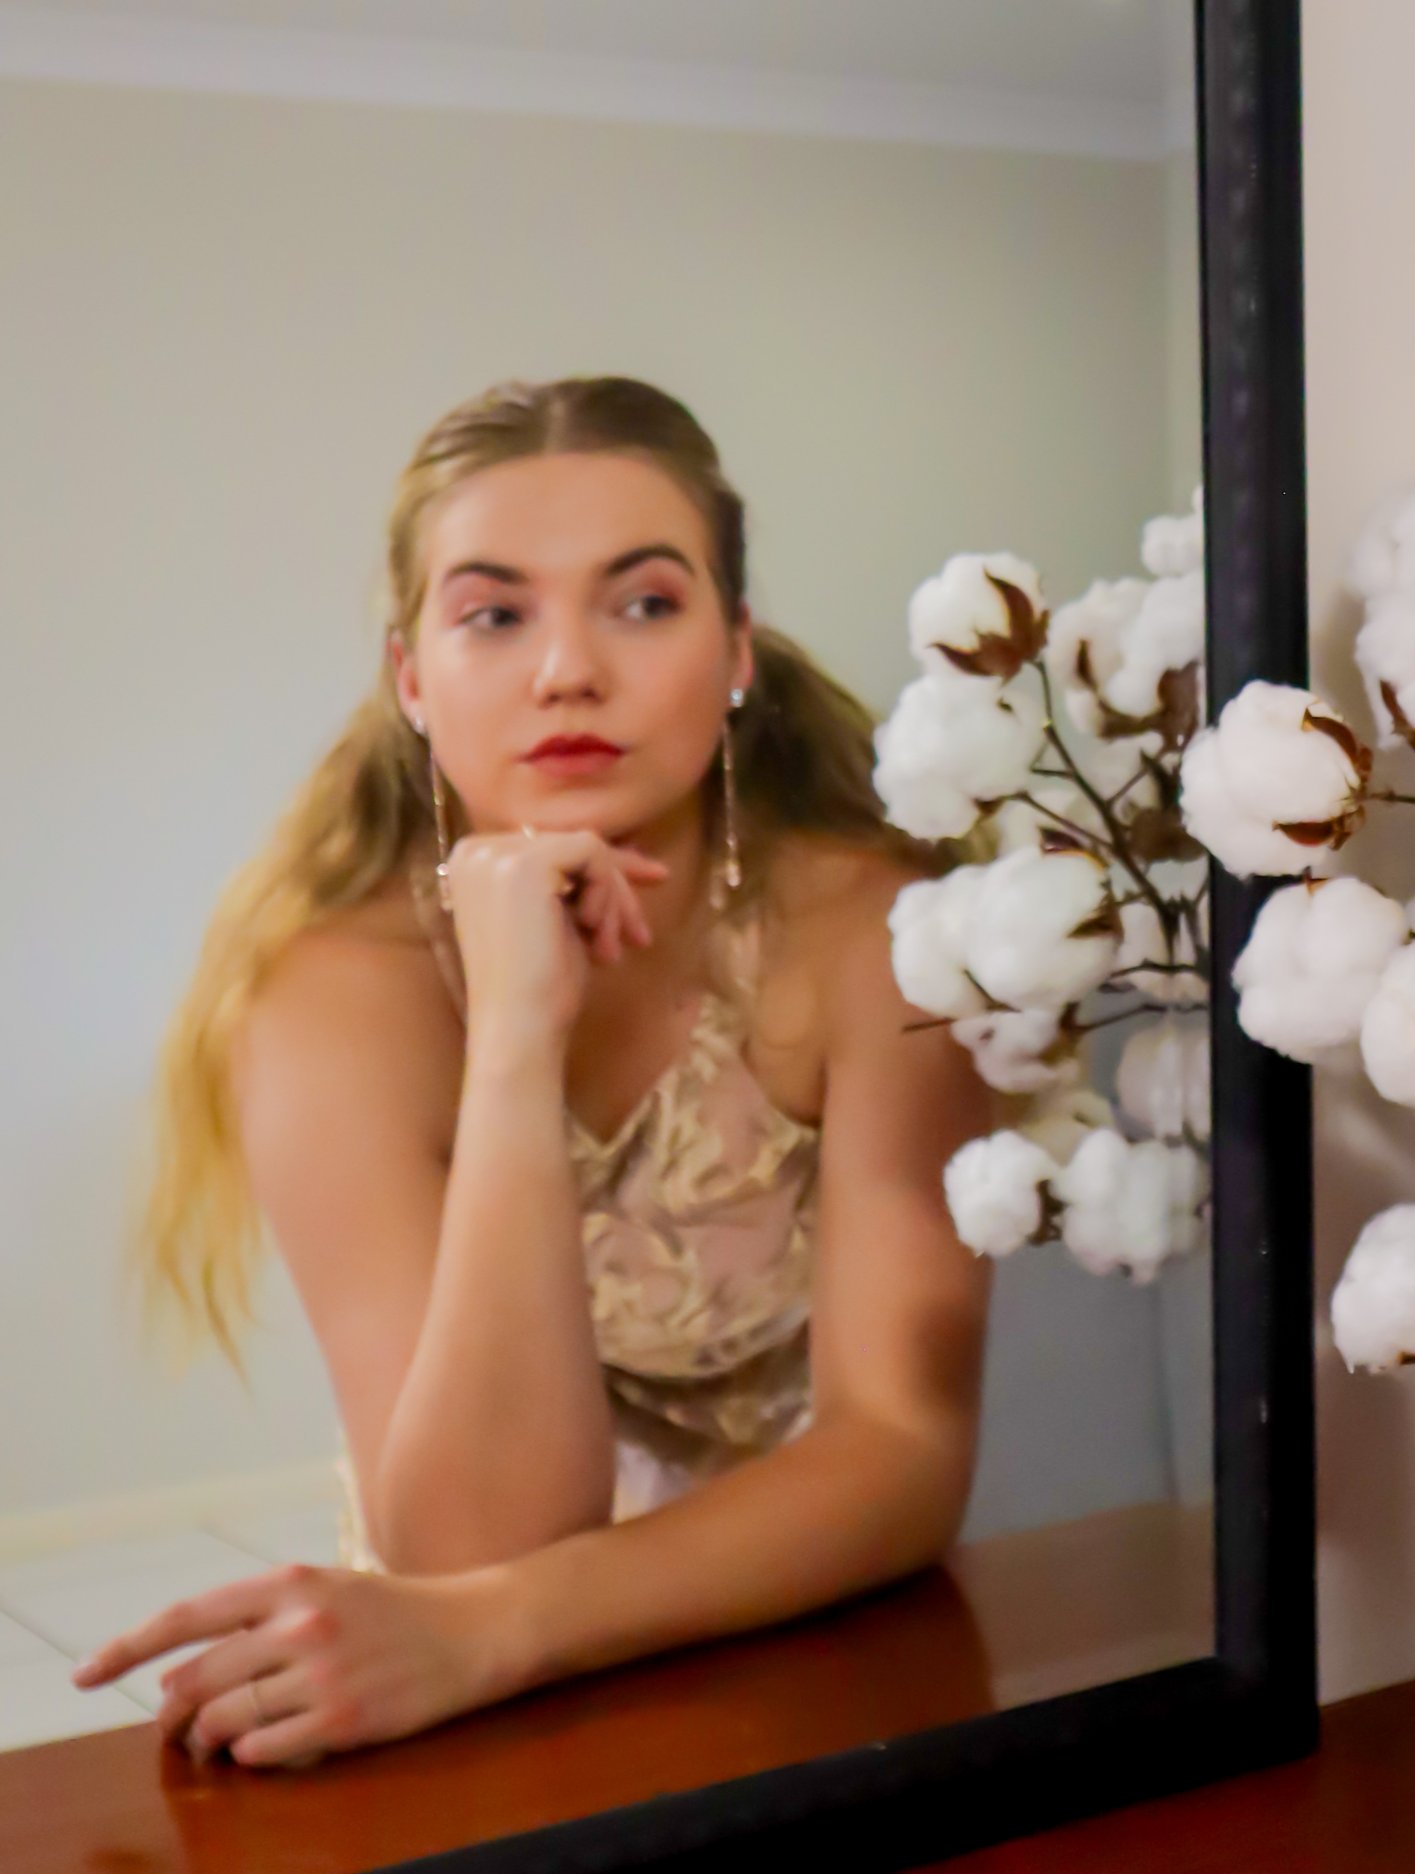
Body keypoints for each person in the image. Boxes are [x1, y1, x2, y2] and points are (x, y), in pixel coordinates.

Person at [71, 376, 1002, 1769]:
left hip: (783, 1619)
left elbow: (904, 1450)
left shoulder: (879, 939)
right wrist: (515, 1035)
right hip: (442, 1680)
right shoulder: (332, 990)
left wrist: (500, 1625)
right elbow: (464, 1544)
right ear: (411, 678)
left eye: (644, 601)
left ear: (737, 649)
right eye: (495, 614)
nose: (567, 668)